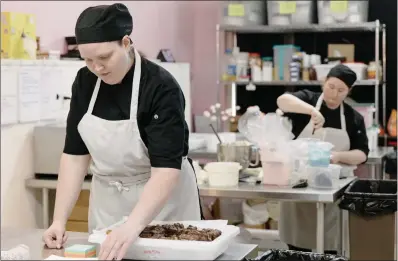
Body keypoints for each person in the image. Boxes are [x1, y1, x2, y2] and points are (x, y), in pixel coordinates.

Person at [42, 3, 203, 260]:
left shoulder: (161, 87)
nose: (97, 68)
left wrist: (132, 226)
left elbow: (166, 170)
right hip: (109, 204)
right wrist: (59, 220)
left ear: (126, 42)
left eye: (104, 58)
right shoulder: (85, 82)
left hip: (162, 205)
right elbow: (75, 155)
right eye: (88, 60)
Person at [276, 64, 369, 253]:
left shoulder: (353, 117)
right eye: (331, 87)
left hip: (332, 193)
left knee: (330, 246)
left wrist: (336, 156)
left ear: (349, 91)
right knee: (296, 247)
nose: (334, 94)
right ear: (323, 82)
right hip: (299, 189)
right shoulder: (308, 100)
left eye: (341, 90)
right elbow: (282, 100)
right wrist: (311, 111)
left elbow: (362, 153)